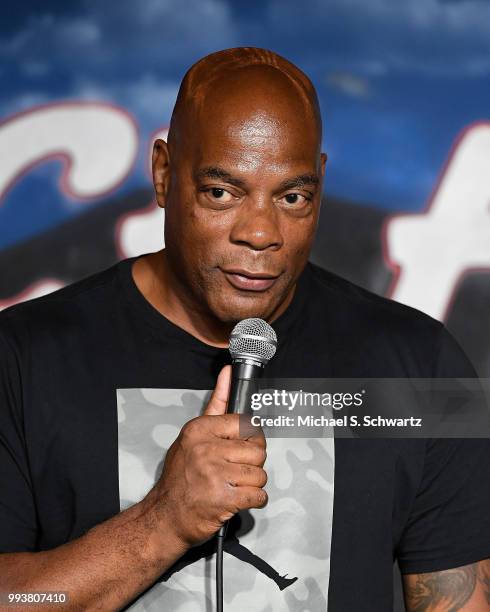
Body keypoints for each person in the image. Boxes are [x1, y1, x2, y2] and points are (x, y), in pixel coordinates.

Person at [0, 47, 489, 611]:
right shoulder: (23, 358)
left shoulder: (421, 367)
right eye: (221, 192)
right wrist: (160, 525)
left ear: (321, 186)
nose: (260, 233)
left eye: (292, 197)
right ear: (163, 174)